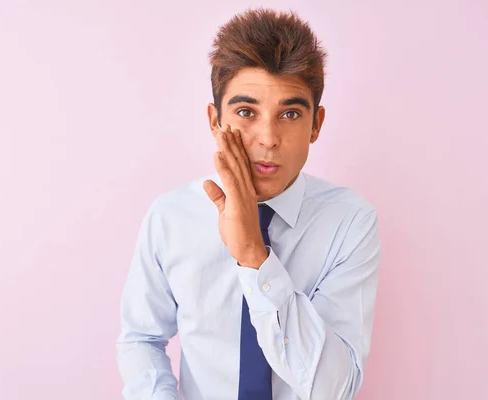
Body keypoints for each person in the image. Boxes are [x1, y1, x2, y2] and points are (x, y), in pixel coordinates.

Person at [116, 8, 381, 400]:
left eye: (290, 113)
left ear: (316, 125)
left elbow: (333, 389)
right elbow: (141, 338)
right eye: (246, 112)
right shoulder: (170, 217)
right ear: (214, 120)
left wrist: (253, 256)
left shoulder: (350, 221)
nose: (268, 138)